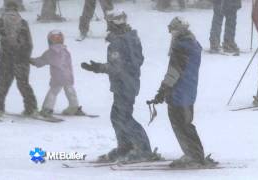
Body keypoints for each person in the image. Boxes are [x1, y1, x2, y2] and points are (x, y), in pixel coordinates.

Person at [81, 11, 159, 162]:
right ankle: (126, 146)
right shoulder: (131, 37)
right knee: (117, 116)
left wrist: (98, 68)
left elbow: (117, 67)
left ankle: (143, 150)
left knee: (123, 117)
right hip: (129, 83)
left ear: (110, 24)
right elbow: (138, 60)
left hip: (124, 84)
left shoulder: (118, 42)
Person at [151, 17, 216, 168]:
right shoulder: (192, 44)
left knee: (181, 124)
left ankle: (193, 156)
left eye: (172, 30)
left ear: (178, 30)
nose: (171, 33)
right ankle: (194, 153)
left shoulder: (181, 47)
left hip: (179, 93)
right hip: (188, 91)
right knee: (186, 124)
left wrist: (162, 91)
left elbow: (174, 72)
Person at [30, 30, 85, 118]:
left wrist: (31, 60)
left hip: (57, 77)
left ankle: (47, 109)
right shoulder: (65, 51)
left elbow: (40, 62)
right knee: (70, 90)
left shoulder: (51, 52)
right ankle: (74, 107)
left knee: (53, 92)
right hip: (68, 76)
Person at [0, 2, 38, 117]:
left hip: (6, 58)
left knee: (3, 84)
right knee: (23, 84)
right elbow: (29, 43)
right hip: (21, 59)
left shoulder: (1, 21)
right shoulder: (23, 22)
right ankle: (31, 108)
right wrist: (25, 57)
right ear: (17, 9)